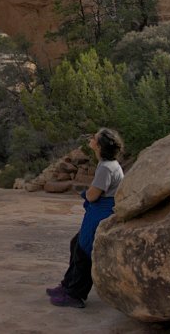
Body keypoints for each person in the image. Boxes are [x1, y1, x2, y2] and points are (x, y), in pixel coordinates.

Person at [47, 127, 124, 308]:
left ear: (98, 145)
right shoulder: (110, 164)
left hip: (100, 213)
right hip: (103, 211)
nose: (91, 139)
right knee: (76, 244)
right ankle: (67, 285)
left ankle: (75, 295)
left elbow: (93, 195)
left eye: (94, 138)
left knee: (84, 252)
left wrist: (85, 194)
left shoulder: (105, 167)